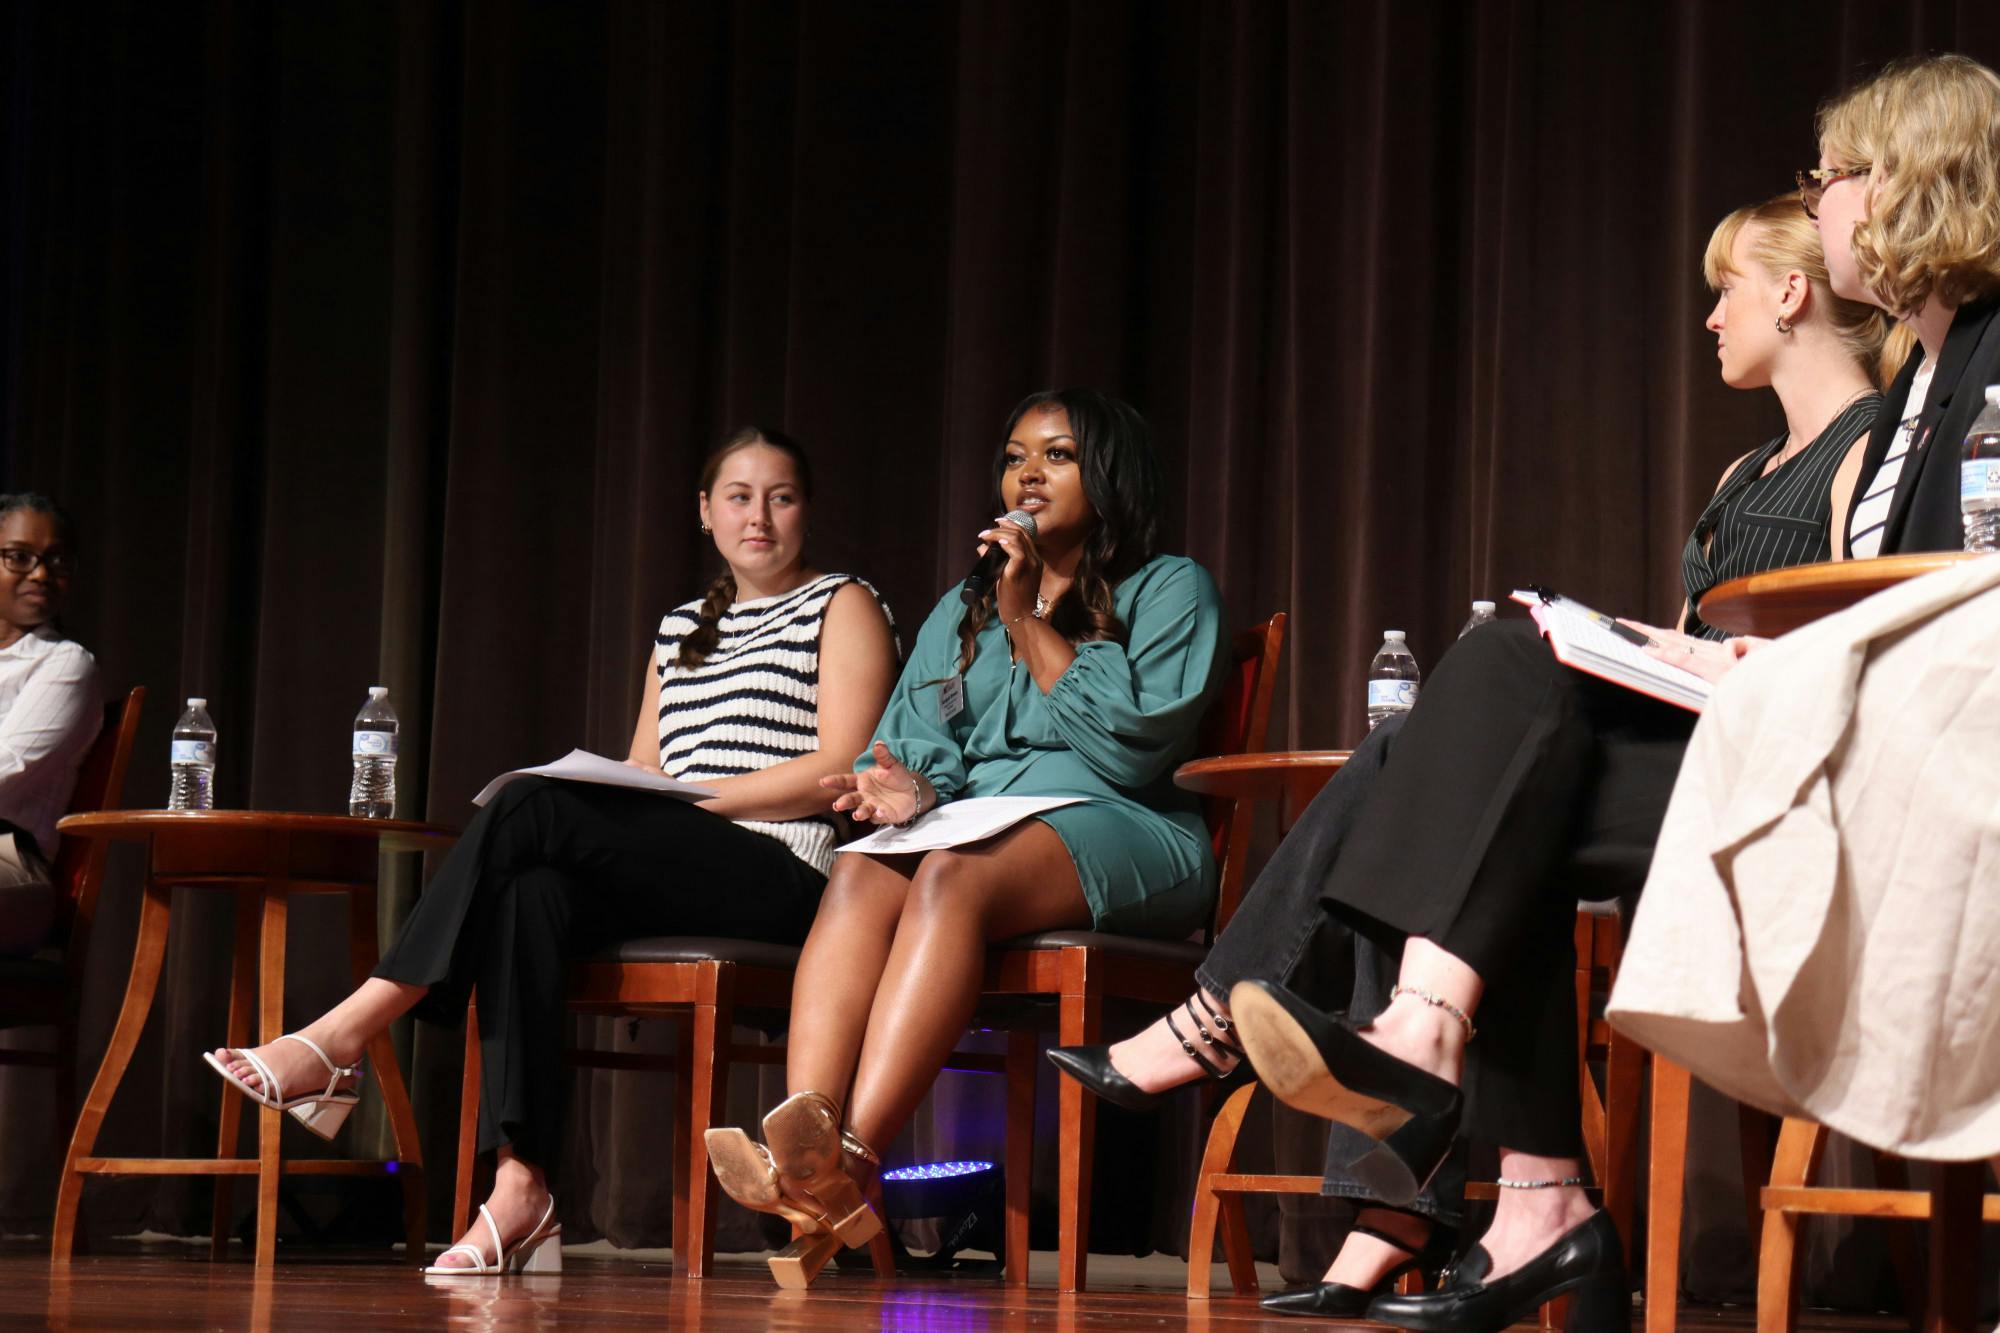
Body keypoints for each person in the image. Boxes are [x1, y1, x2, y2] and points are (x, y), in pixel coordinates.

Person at [1204, 55, 1998, 1333]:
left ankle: (1444, 1088)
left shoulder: (1984, 360)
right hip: (1820, 740)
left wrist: (1743, 661)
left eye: (1835, 175)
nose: (1825, 199)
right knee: (1514, 702)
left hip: (1913, 780)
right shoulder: (1915, 378)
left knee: (1508, 716)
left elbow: (1949, 610)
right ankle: (1525, 1189)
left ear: (1912, 185)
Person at [1052, 191, 1905, 1323]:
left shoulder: (1870, 453)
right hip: (1694, 754)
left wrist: (1675, 656)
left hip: (1778, 782)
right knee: (1451, 764)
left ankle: (1278, 1047)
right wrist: (1646, 647)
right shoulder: (1737, 481)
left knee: (1483, 703)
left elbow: (1856, 651)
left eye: (1725, 289)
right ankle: (1524, 1194)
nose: (1707, 319)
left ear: (1789, 294)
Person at [204, 428, 900, 1274]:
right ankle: (521, 1186)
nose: (759, 515)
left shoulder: (843, 600)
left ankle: (348, 1032)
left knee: (532, 800)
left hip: (783, 874)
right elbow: (646, 767)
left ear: (806, 512)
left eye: (781, 496)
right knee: (530, 890)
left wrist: (698, 801)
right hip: (681, 857)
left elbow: (844, 764)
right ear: (705, 513)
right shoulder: (682, 625)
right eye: (739, 496)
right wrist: (654, 796)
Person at [703, 388, 1226, 1288]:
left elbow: (1129, 747)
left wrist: (1028, 618)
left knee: (949, 876)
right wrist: (902, 784)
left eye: (1057, 455)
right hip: (981, 828)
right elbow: (915, 735)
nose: (1028, 472)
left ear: (1111, 476)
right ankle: (809, 1149)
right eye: (1017, 455)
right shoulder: (966, 604)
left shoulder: (1168, 587)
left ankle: (851, 1162)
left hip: (1129, 829)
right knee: (862, 870)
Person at [0, 493, 101, 959]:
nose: (41, 573)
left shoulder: (63, 663)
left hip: (11, 864)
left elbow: (8, 768)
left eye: (57, 561)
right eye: (19, 557)